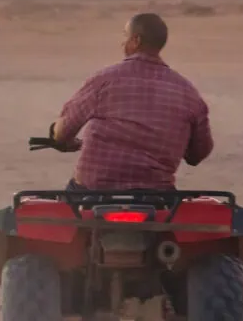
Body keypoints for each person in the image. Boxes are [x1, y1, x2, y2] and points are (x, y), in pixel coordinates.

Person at [48, 13, 213, 191]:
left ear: (136, 40)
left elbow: (62, 132)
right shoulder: (188, 92)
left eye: (125, 36)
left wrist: (60, 137)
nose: (122, 43)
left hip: (94, 190)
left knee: (69, 204)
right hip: (156, 194)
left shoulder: (105, 79)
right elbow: (199, 153)